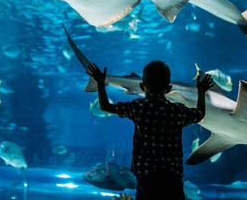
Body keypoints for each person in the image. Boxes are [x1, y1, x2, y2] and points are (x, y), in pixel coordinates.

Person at [86, 60, 214, 200]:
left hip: (146, 177)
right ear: (169, 88)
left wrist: (100, 83)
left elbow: (105, 107)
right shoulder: (177, 110)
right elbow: (200, 114)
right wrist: (201, 92)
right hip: (172, 178)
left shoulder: (138, 107)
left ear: (142, 86)